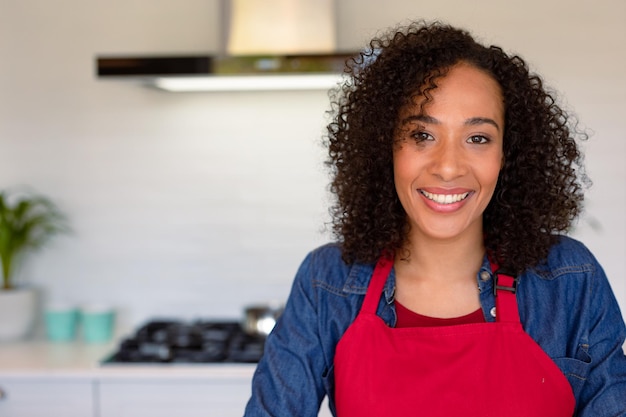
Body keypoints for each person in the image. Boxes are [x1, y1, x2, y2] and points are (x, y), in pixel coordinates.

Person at [243, 20, 626, 416]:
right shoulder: (329, 282)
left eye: (478, 138)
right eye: (422, 135)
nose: (447, 167)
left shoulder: (569, 280)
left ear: (506, 155)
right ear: (384, 147)